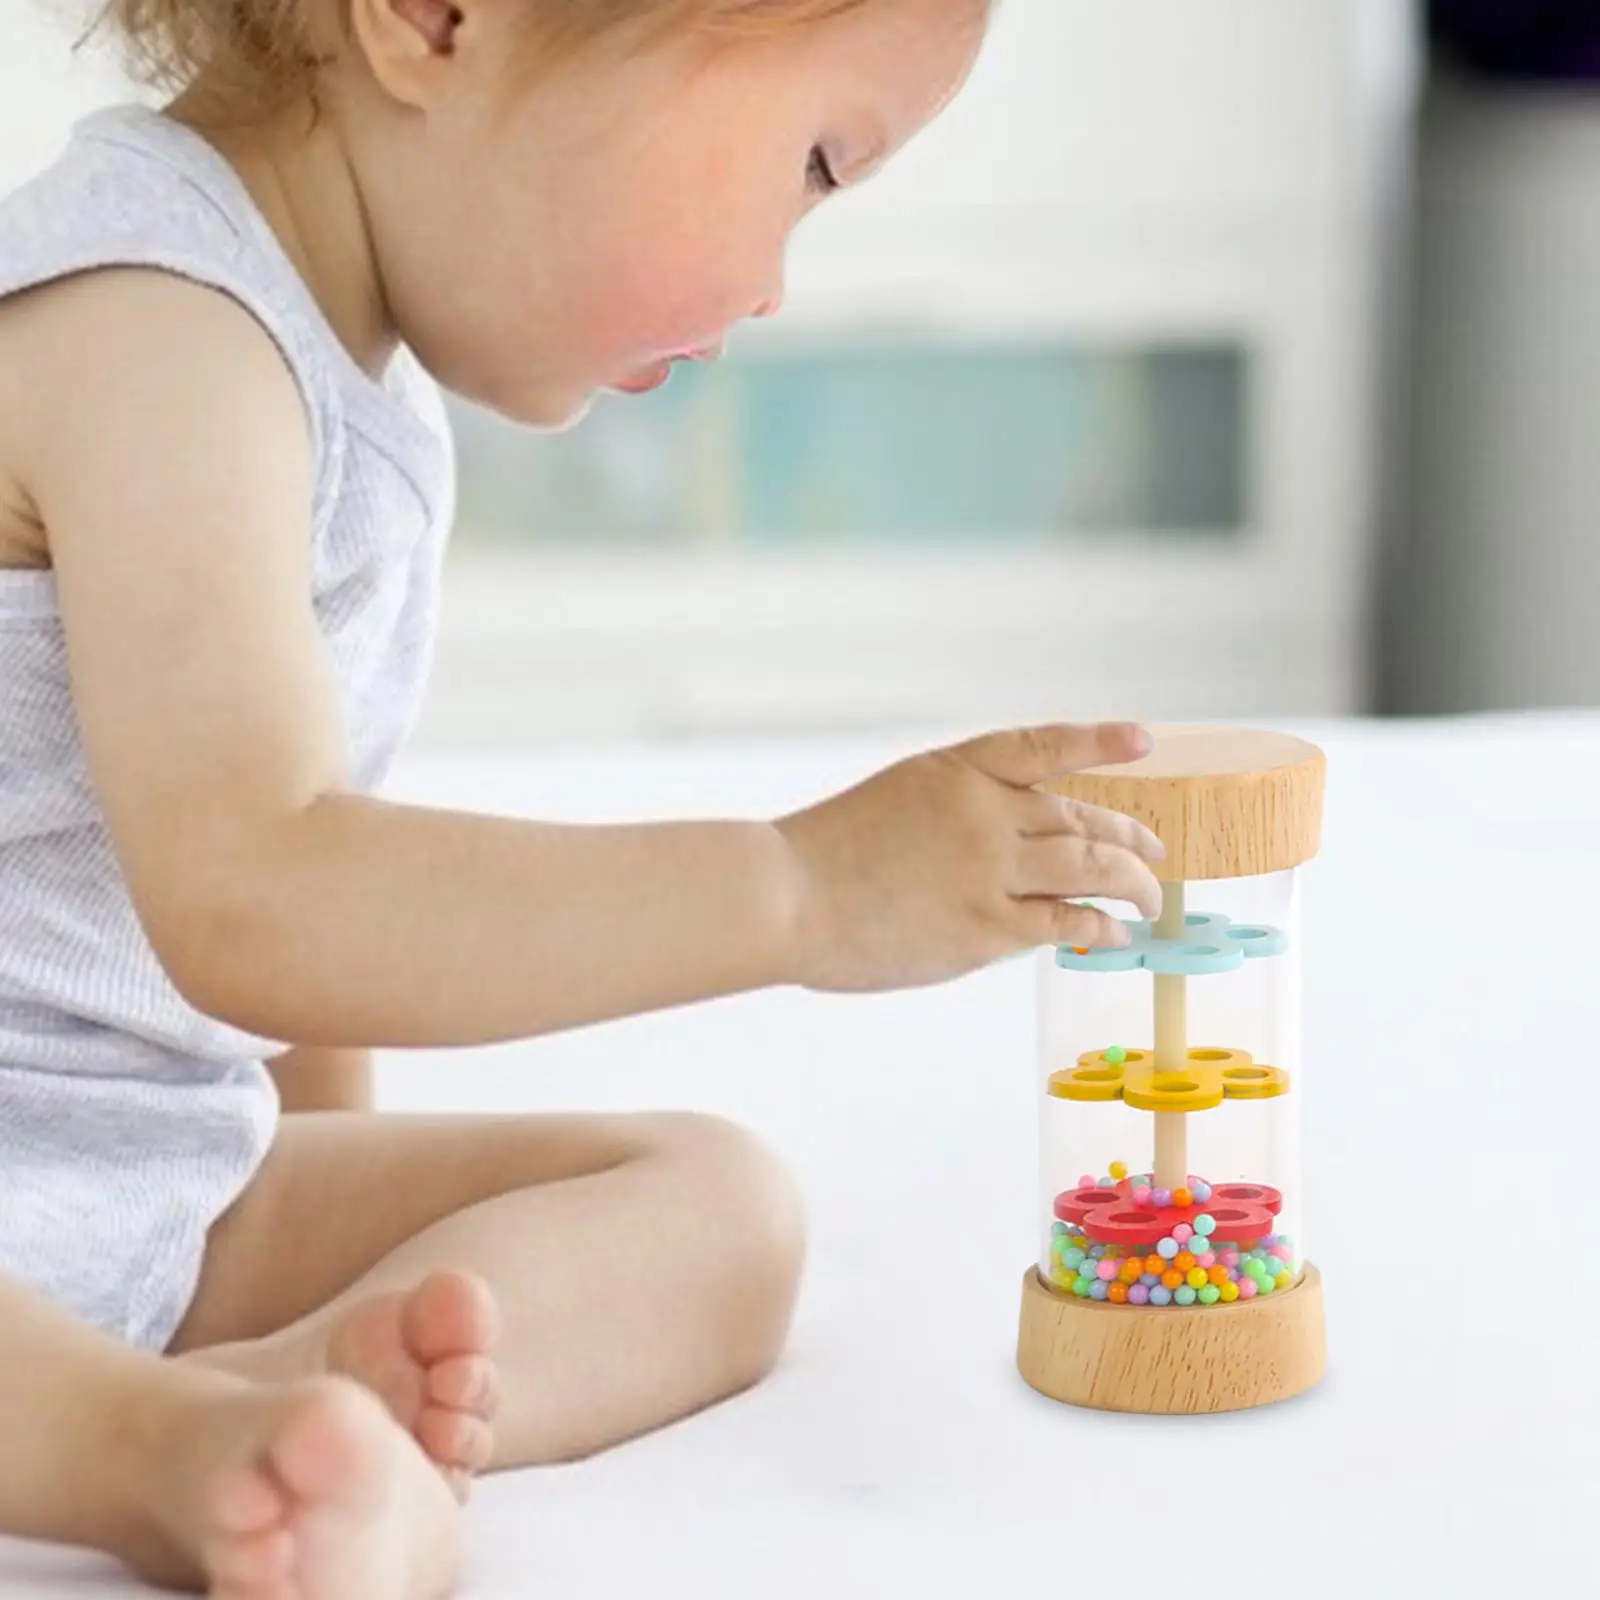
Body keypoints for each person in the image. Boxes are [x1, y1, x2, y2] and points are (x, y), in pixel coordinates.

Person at [0, 0, 1165, 1592]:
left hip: (131, 1175)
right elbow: (263, 892)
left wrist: (355, 1249)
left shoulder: (349, 387)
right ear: (436, 16)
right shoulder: (156, 328)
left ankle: (306, 1412)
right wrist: (799, 889)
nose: (772, 283)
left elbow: (332, 913)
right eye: (812, 162)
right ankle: (154, 1457)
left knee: (718, 1205)